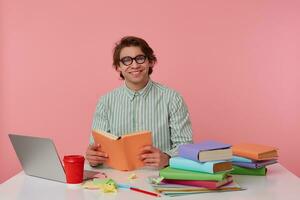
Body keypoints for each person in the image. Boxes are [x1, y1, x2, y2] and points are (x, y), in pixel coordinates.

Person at [86, 36, 193, 169]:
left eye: (140, 58)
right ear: (118, 67)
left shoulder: (172, 98)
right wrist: (93, 157)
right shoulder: (105, 102)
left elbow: (186, 146)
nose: (135, 65)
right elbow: (96, 148)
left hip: (159, 177)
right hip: (117, 178)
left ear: (150, 62)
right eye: (126, 60)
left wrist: (167, 158)